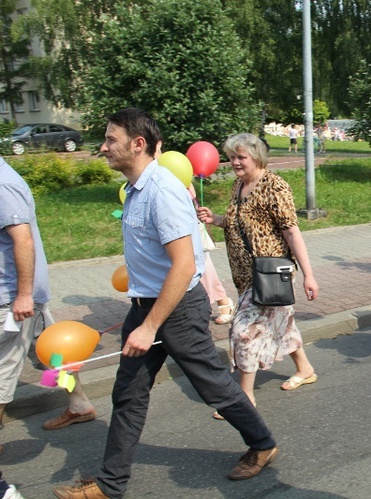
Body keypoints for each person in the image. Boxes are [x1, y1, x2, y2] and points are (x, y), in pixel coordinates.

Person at [52, 109, 278, 499]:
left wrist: (149, 326)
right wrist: (143, 317)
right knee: (129, 393)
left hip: (174, 311)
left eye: (111, 140)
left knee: (216, 388)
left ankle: (262, 443)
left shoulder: (163, 191)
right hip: (147, 307)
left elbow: (184, 265)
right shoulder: (138, 189)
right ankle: (110, 484)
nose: (103, 147)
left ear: (137, 144)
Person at [197, 133, 319, 410]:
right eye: (231, 158)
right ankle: (305, 368)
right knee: (282, 323)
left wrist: (309, 275)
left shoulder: (274, 186)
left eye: (241, 157)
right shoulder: (239, 185)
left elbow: (291, 232)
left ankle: (245, 396)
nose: (235, 163)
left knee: (244, 330)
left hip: (270, 274)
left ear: (256, 156)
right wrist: (215, 219)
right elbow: (238, 223)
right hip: (244, 275)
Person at [0, 156, 96, 433]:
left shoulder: (4, 185)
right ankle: (79, 404)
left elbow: (23, 240)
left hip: (14, 300)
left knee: (4, 370)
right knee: (56, 356)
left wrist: (24, 295)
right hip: (23, 296)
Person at [188, 185, 235, 324]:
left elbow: (190, 191)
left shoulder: (174, 166)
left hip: (188, 221)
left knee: (203, 267)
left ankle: (223, 300)